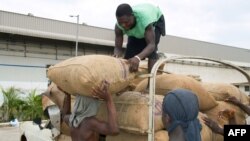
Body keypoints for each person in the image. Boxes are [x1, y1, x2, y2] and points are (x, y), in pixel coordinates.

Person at [113, 3, 165, 73]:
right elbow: (118, 48)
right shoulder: (119, 26)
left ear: (132, 16)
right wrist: (115, 56)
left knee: (151, 51)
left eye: (126, 22)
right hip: (139, 26)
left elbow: (151, 45)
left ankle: (151, 78)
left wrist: (137, 58)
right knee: (129, 54)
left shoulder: (145, 19)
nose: (124, 25)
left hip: (156, 20)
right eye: (120, 23)